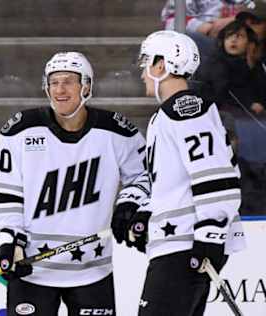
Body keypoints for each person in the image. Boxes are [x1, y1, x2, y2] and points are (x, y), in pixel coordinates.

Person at [0, 51, 150, 315]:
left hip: (93, 270)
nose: (60, 90)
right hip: (33, 270)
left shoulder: (118, 132)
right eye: (53, 82)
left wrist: (130, 203)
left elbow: (146, 177)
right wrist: (9, 240)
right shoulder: (20, 130)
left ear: (86, 86)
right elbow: (7, 192)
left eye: (68, 81)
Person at [126, 30, 246, 315]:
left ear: (162, 65)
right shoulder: (167, 115)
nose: (143, 72)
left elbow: (215, 175)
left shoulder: (186, 109)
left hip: (186, 245)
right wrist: (148, 213)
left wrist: (211, 236)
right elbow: (174, 181)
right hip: (176, 244)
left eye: (147, 63)